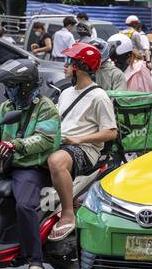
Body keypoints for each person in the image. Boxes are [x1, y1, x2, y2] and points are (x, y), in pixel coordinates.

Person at [0, 59, 61, 269]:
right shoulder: (7, 107)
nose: (8, 90)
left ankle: (35, 261)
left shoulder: (45, 107)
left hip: (29, 167)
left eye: (12, 85)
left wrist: (15, 144)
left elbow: (46, 139)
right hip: (5, 165)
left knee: (24, 205)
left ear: (24, 85)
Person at [47, 42, 117, 242]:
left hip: (84, 149)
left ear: (79, 67)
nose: (64, 66)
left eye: (68, 62)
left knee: (56, 161)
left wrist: (79, 139)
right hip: (62, 144)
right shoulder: (66, 93)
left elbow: (110, 132)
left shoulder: (99, 96)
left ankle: (68, 213)